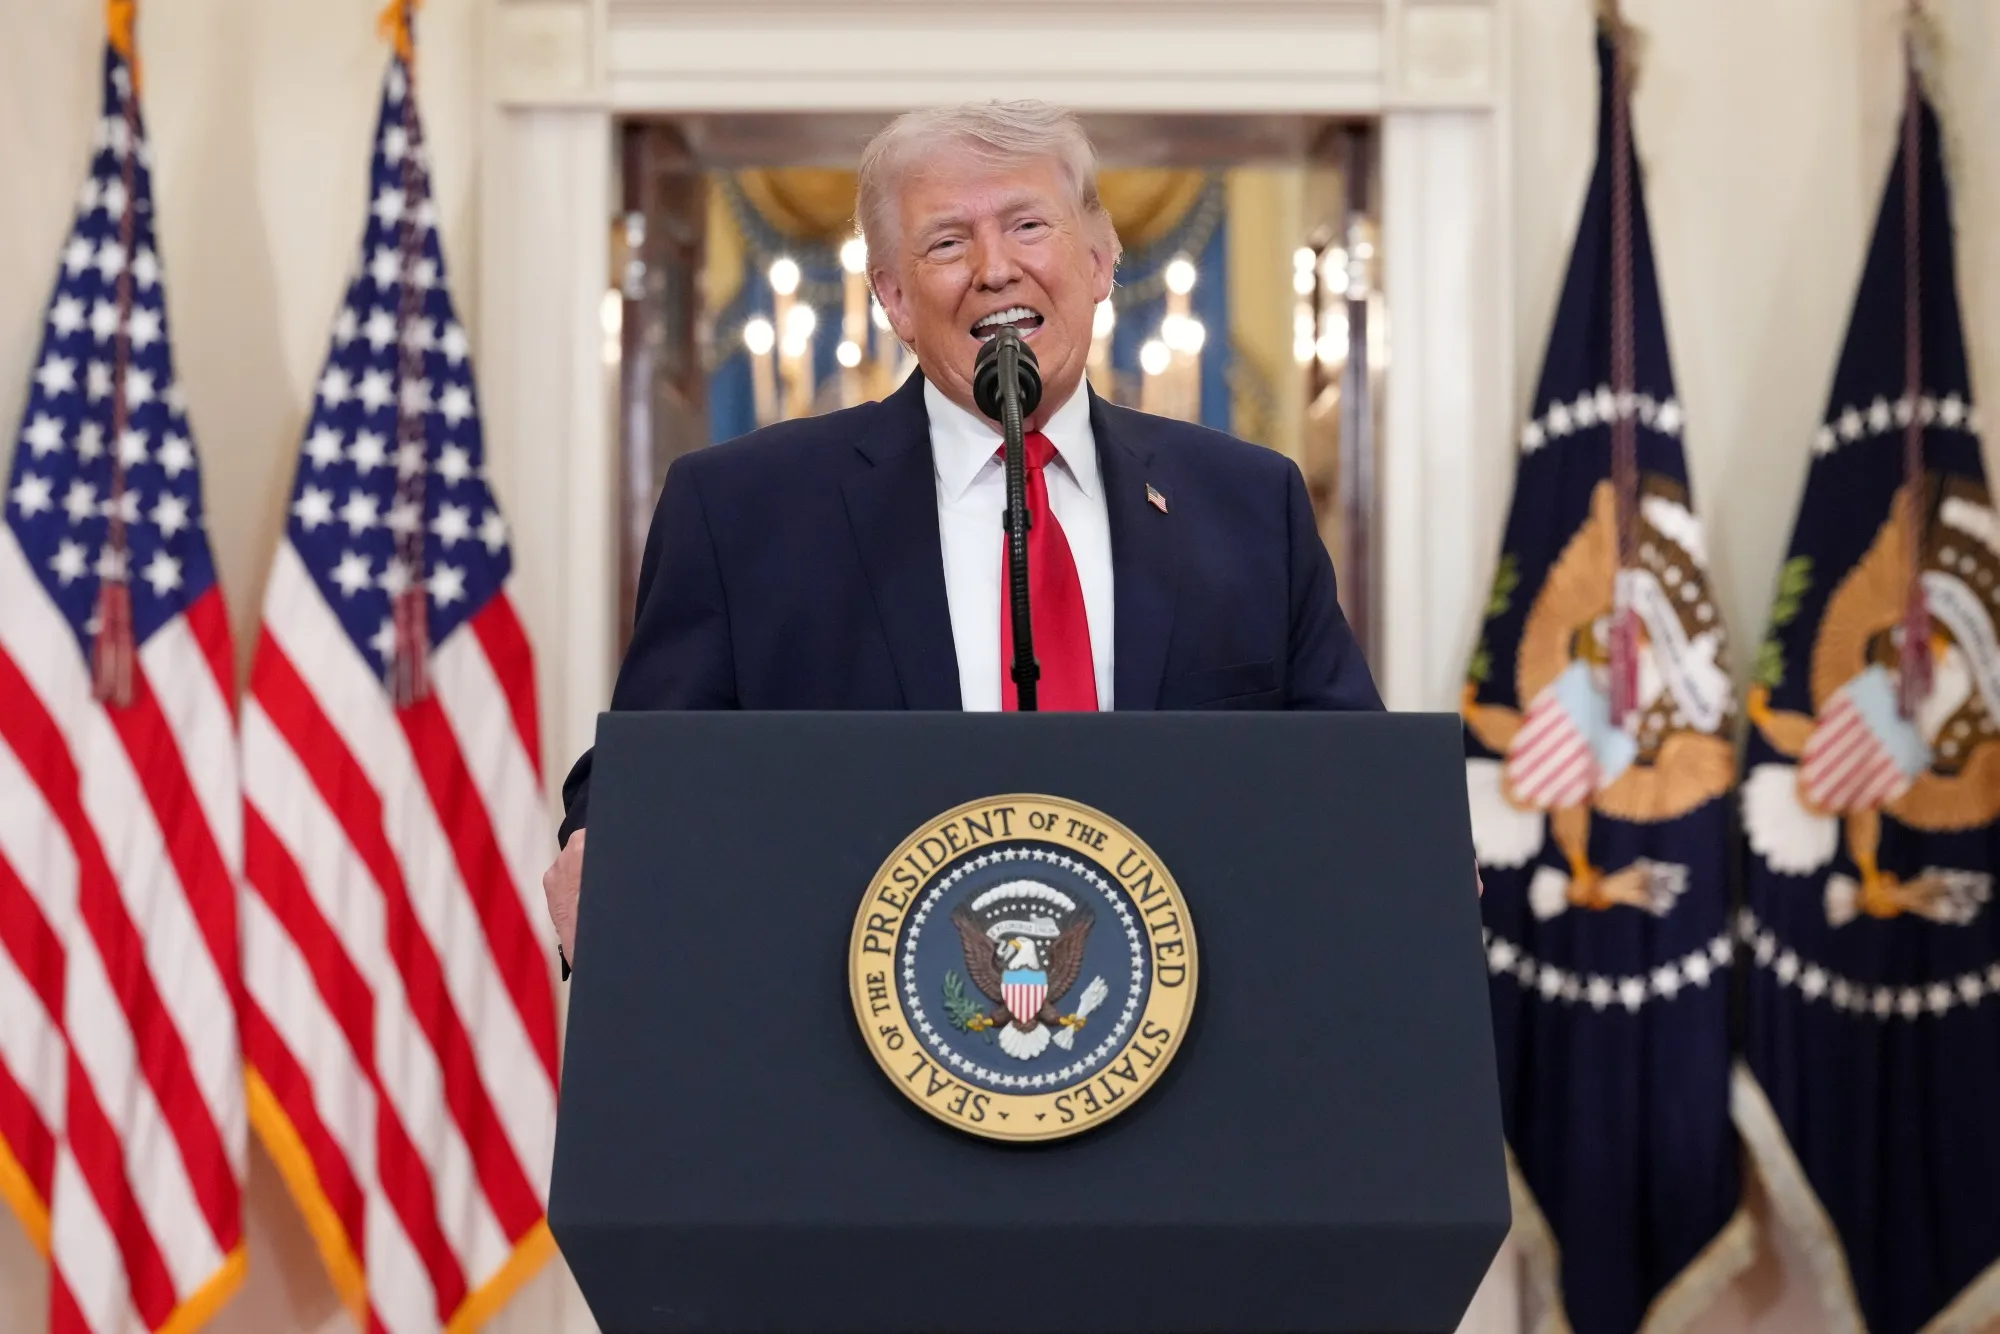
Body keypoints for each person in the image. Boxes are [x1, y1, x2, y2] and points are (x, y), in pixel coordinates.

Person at [542, 100, 1383, 967]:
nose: (994, 269)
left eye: (1028, 225)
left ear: (1100, 261)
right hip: (858, 1043)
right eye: (947, 242)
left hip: (1187, 1034)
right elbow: (647, 770)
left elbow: (1350, 773)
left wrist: (1407, 842)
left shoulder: (1247, 502)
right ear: (895, 299)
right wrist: (601, 839)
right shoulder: (742, 510)